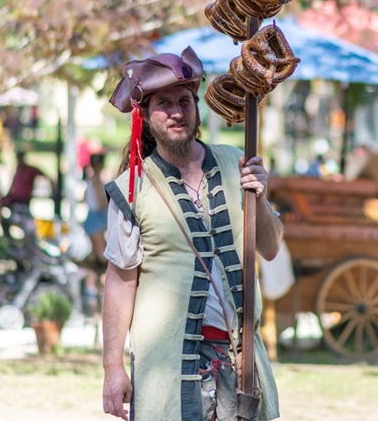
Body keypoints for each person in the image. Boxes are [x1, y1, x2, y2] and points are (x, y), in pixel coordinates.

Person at [101, 47, 283, 421]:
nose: (176, 112)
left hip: (239, 361)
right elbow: (120, 282)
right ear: (146, 117)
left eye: (184, 101)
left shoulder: (237, 162)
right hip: (167, 367)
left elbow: (270, 247)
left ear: (196, 108)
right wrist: (112, 367)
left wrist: (260, 197)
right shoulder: (131, 188)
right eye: (164, 104)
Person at [82, 149, 108, 313]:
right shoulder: (97, 181)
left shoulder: (90, 180)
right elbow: (100, 203)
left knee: (94, 258)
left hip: (92, 219)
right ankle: (100, 291)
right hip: (97, 221)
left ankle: (90, 289)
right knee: (103, 259)